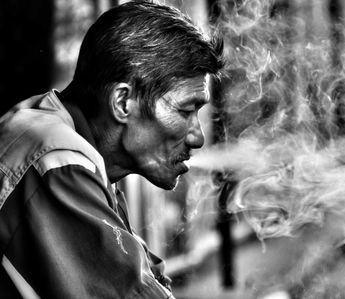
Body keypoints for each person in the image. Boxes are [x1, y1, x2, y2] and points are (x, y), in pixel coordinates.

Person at [0, 1, 224, 298]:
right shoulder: (58, 160)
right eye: (186, 111)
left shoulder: (69, 144)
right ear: (122, 102)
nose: (197, 138)